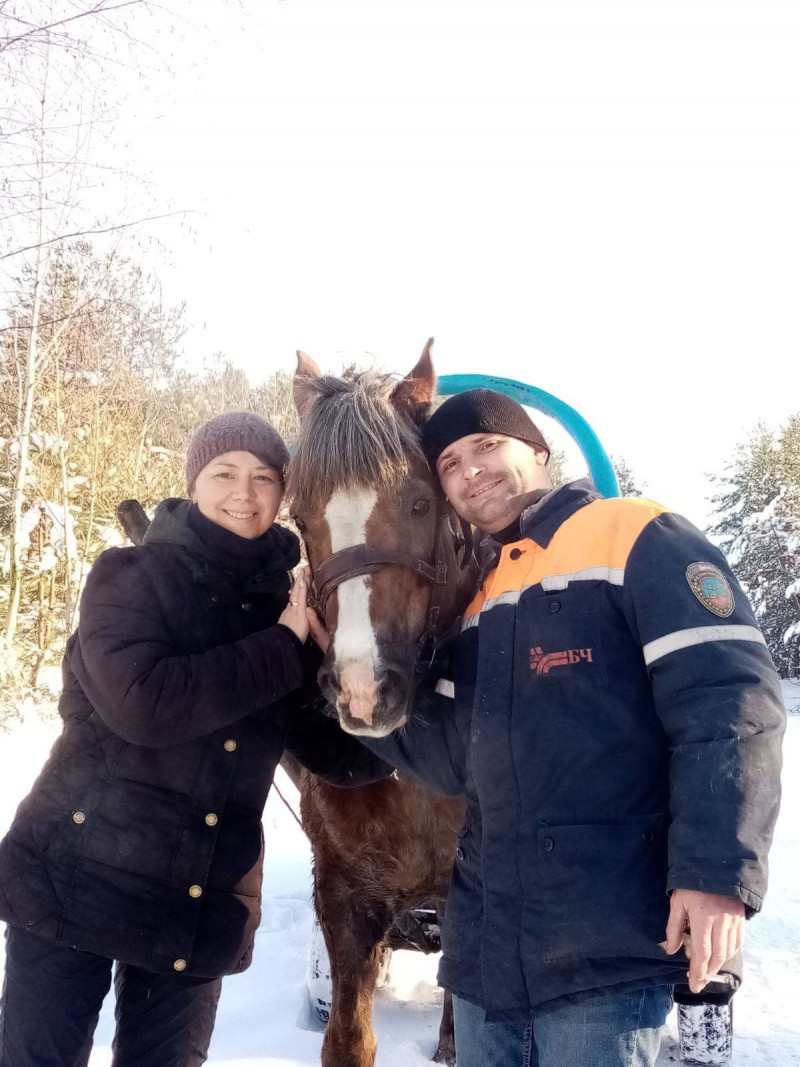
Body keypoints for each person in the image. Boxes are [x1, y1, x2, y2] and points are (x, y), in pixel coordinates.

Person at [355, 389, 785, 1067]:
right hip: (486, 965)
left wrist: (715, 874)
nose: (471, 470)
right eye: (450, 464)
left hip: (605, 952)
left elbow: (728, 700)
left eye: (488, 446)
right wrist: (359, 703)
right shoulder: (478, 596)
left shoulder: (637, 534)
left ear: (538, 451)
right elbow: (448, 760)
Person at [0, 412, 391, 1067]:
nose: (244, 490)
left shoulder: (287, 612)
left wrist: (366, 699)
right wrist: (284, 645)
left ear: (282, 496)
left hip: (195, 900)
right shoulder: (130, 575)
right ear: (194, 482)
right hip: (75, 878)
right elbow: (145, 705)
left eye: (264, 477)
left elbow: (337, 758)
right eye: (225, 473)